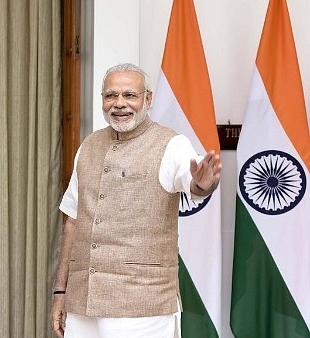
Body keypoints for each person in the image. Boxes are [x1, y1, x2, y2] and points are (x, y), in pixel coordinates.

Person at [50, 63, 221, 338]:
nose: (119, 104)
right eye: (111, 96)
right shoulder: (89, 146)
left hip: (143, 306)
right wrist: (61, 292)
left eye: (129, 95)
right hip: (83, 303)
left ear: (147, 99)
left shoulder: (172, 144)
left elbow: (194, 184)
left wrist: (203, 183)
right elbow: (72, 221)